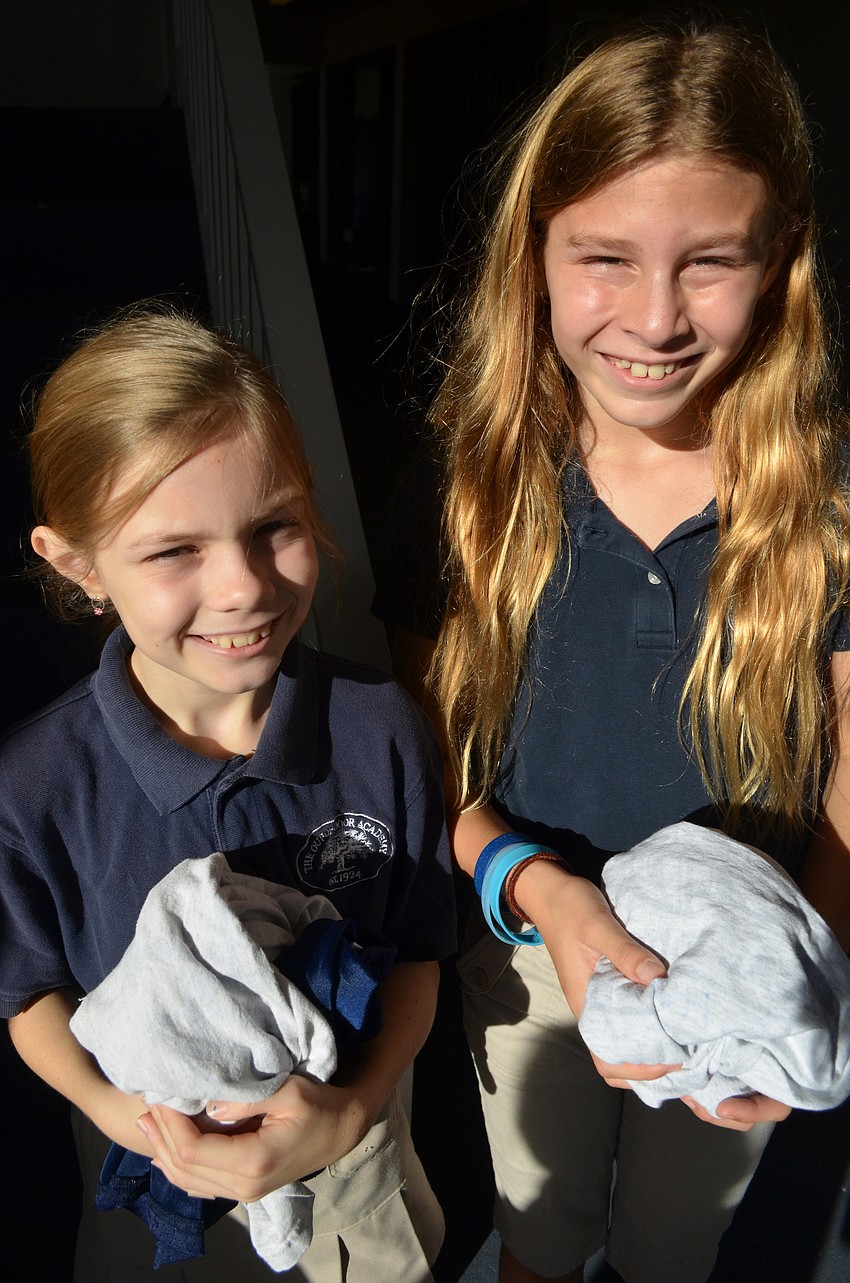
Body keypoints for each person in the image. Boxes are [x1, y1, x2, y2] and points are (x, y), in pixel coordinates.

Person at [386, 20, 850, 1283]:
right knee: (536, 1234)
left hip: (733, 973)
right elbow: (422, 764)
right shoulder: (475, 475)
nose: (653, 317)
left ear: (782, 257)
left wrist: (786, 982)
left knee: (669, 1249)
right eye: (603, 258)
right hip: (529, 954)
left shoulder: (825, 505)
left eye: (709, 262)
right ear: (533, 251)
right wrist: (541, 891)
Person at [0, 305, 457, 1282]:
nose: (244, 585)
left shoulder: (382, 725)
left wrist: (353, 1101)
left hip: (356, 1151)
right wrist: (128, 1115)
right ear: (79, 566)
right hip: (156, 1175)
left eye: (274, 525)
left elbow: (419, 955)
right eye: (174, 550)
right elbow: (27, 990)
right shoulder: (34, 784)